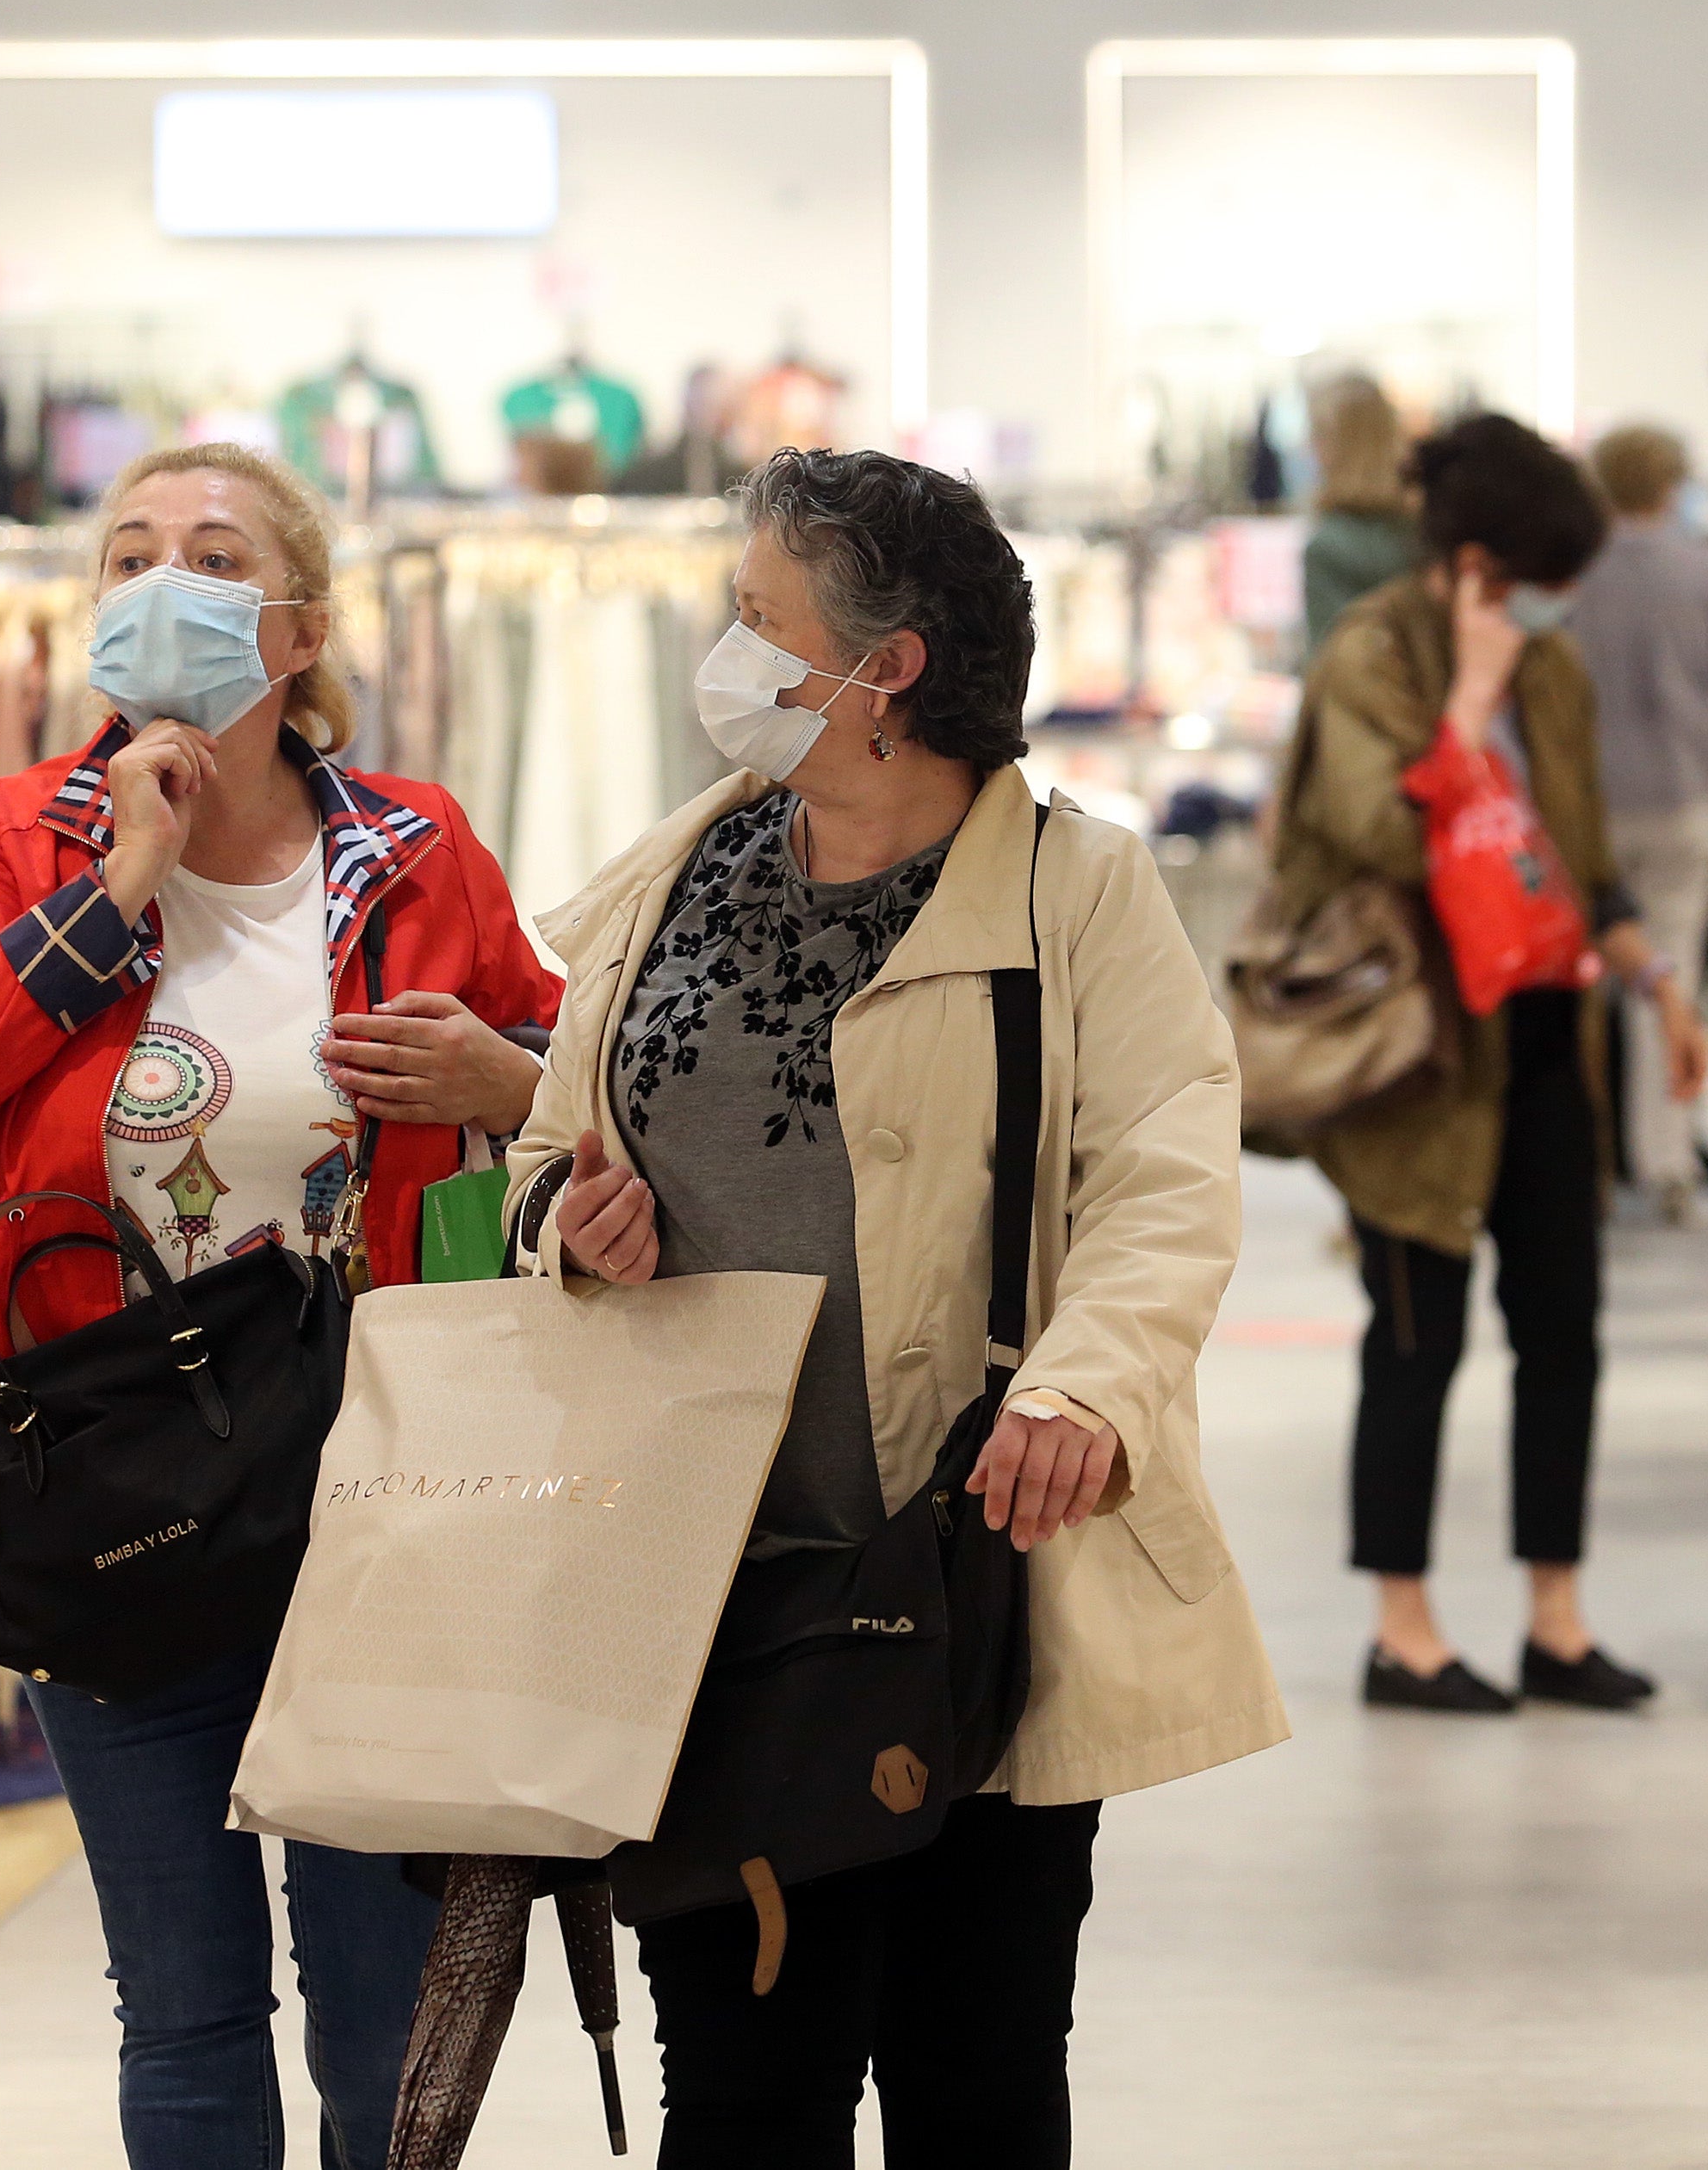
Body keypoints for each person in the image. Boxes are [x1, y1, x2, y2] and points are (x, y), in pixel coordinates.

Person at [508, 445, 1284, 2169]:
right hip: (705, 1590)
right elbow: (551, 1141)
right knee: (736, 2099)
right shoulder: (672, 876)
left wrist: (1084, 1386)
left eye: (755, 618)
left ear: (885, 669)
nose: (727, 652)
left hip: (965, 1586)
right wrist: (568, 1219)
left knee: (975, 2082)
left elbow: (1166, 1173)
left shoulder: (1074, 891)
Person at [0, 442, 561, 2170]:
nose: (156, 581)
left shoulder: (415, 852)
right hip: (112, 1496)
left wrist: (497, 1070)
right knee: (180, 2009)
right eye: (125, 553)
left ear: (298, 623)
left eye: (208, 551)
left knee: (377, 2017)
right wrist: (116, 888)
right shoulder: (9, 834)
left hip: (386, 1509)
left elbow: (578, 1079)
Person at [1273, 413, 1708, 1716]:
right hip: (1416, 1054)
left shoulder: (1554, 673)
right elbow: (1381, 836)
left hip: (1538, 1037)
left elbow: (1579, 857)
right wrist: (1463, 701)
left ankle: (1553, 1615)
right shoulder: (1368, 661)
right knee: (1415, 1336)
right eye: (1535, 574)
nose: (1553, 600)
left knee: (1561, 1328)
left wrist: (1656, 982)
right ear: (1473, 564)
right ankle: (1398, 1627)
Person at [1569, 423, 1708, 1225]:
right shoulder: (1702, 569)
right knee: (1669, 976)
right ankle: (1670, 1161)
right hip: (1682, 791)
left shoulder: (1574, 577)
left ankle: (1594, 1158)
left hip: (1593, 802)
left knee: (1586, 981)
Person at [1296, 371, 1420, 658]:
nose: (1309, 449)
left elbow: (1328, 661)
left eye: (1317, 436)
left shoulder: (1329, 547)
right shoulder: (1424, 529)